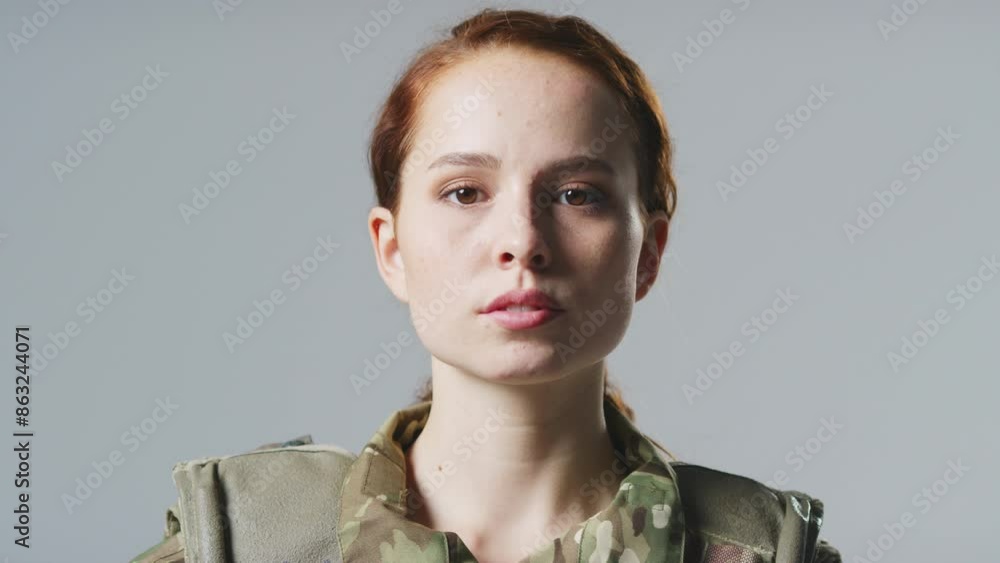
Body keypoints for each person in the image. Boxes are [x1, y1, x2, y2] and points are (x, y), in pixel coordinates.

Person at [132, 8, 841, 563]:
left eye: (576, 194)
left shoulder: (760, 550)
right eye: (465, 191)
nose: (522, 242)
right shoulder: (243, 543)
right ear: (392, 247)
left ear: (648, 252)